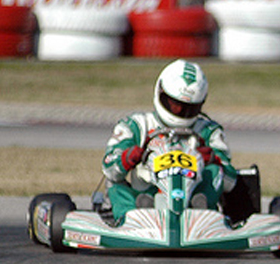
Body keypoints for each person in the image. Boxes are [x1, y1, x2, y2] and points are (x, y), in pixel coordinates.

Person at [101, 59, 238, 223]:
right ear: (161, 93)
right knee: (114, 183)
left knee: (216, 171)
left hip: (192, 200)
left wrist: (213, 160)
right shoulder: (136, 125)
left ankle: (201, 211)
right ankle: (130, 217)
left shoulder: (209, 131)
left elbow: (231, 181)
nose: (179, 111)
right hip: (145, 196)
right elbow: (108, 167)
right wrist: (127, 157)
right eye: (174, 105)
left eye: (187, 108)